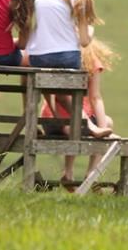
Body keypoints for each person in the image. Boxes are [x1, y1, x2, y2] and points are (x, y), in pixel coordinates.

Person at [39, 38, 119, 184]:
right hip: (61, 121)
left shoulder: (64, 57)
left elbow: (95, 97)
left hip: (65, 120)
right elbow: (95, 97)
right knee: (74, 127)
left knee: (106, 121)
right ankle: (78, 173)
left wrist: (103, 127)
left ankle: (84, 173)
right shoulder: (76, 59)